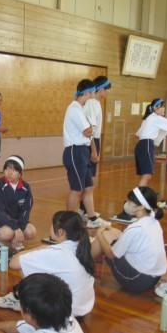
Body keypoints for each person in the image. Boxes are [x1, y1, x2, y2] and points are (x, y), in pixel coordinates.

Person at [113, 99, 167, 223]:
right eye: (162, 106)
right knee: (147, 175)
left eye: (164, 106)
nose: (164, 109)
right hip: (146, 145)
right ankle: (137, 200)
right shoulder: (155, 117)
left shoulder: (148, 118)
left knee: (145, 175)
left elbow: (138, 134)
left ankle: (137, 199)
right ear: (155, 108)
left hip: (141, 145)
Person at [0, 211, 95, 318]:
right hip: (83, 309)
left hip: (63, 313)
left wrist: (41, 248)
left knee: (25, 265)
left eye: (52, 224)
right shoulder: (81, 247)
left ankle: (22, 301)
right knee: (39, 266)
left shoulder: (56, 251)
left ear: (60, 232)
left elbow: (13, 263)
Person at [93, 187, 167, 293]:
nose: (126, 203)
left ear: (141, 206)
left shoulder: (135, 228)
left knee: (104, 235)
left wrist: (98, 233)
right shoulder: (154, 221)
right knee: (112, 231)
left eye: (129, 201)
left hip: (137, 281)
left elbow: (110, 254)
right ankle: (85, 259)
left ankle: (82, 261)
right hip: (153, 278)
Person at [62, 79, 108, 228]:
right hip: (75, 151)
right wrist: (91, 128)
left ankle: (92, 218)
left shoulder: (81, 109)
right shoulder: (74, 109)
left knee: (88, 187)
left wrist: (93, 148)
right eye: (93, 93)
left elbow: (88, 132)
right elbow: (87, 131)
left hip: (83, 151)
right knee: (76, 189)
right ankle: (68, 223)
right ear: (87, 93)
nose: (93, 97)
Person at [0, 155, 36, 251]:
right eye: (7, 169)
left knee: (31, 232)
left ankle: (15, 240)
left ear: (20, 173)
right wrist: (16, 228)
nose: (9, 172)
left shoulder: (26, 188)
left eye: (14, 170)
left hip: (15, 220)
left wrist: (19, 227)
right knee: (8, 233)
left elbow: (25, 211)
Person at [79, 75, 111, 219]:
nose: (109, 93)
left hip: (94, 140)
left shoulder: (96, 103)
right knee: (87, 180)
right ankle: (84, 210)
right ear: (102, 89)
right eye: (108, 90)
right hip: (90, 142)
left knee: (88, 179)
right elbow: (89, 129)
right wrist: (93, 149)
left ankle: (84, 209)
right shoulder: (92, 103)